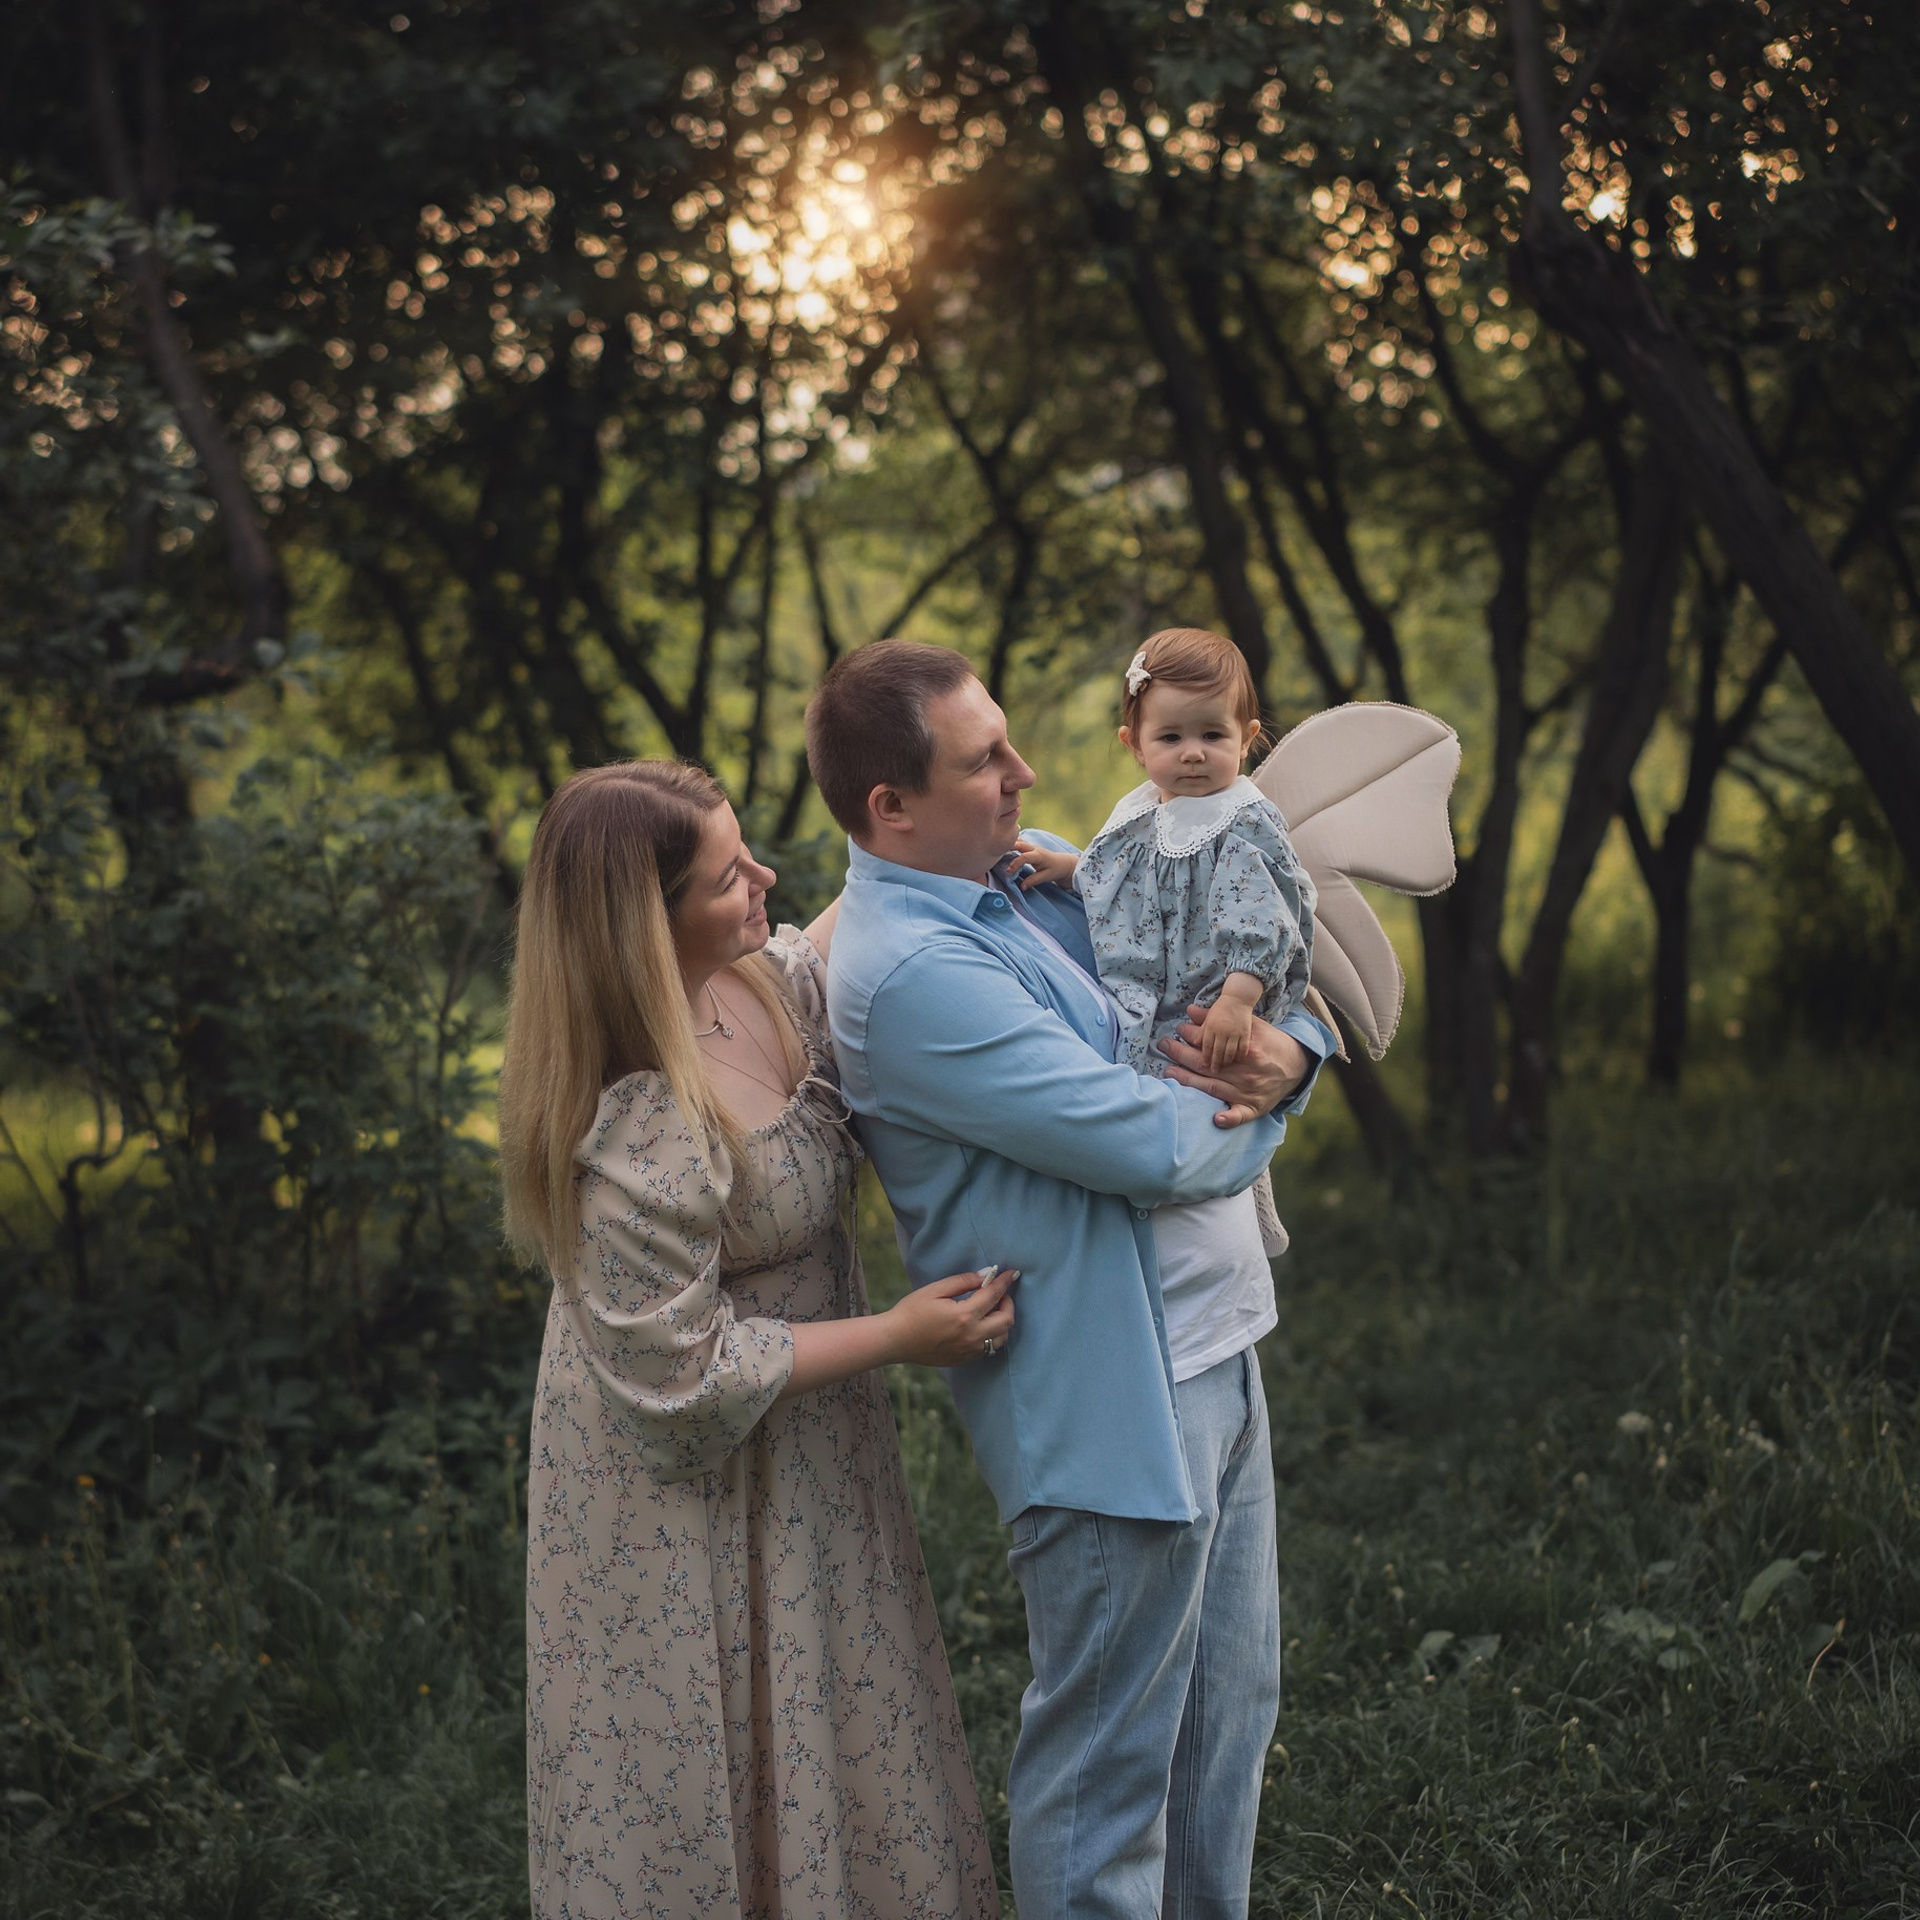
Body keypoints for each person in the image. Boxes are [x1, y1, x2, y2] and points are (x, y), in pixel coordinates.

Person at [807, 641, 1338, 1920]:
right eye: (985, 759)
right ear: (892, 805)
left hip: (1218, 1342)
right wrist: (1276, 1094)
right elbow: (1155, 1146)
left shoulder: (1027, 876)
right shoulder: (916, 974)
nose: (1024, 773)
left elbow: (1274, 967)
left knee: (1222, 1731)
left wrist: (1295, 1053)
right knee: (1109, 1784)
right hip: (1113, 1401)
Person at [498, 759, 1010, 1920]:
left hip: (807, 1452)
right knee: (708, 1750)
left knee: (840, 1705)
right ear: (649, 924)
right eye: (729, 877)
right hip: (679, 1496)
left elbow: (863, 907)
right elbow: (679, 1373)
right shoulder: (637, 1121)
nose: (765, 878)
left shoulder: (760, 983)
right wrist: (895, 1335)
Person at [1014, 623, 1317, 1259]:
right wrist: (1067, 868)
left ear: (1248, 738)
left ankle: (1235, 1204)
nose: (1193, 754)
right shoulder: (1151, 811)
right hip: (1159, 993)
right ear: (1134, 743)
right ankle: (1159, 1214)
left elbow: (1263, 924)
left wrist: (1239, 998)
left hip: (1218, 997)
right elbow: (1127, 877)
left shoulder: (1237, 826)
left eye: (1213, 735)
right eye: (1171, 737)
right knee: (1153, 1081)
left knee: (1206, 1086)